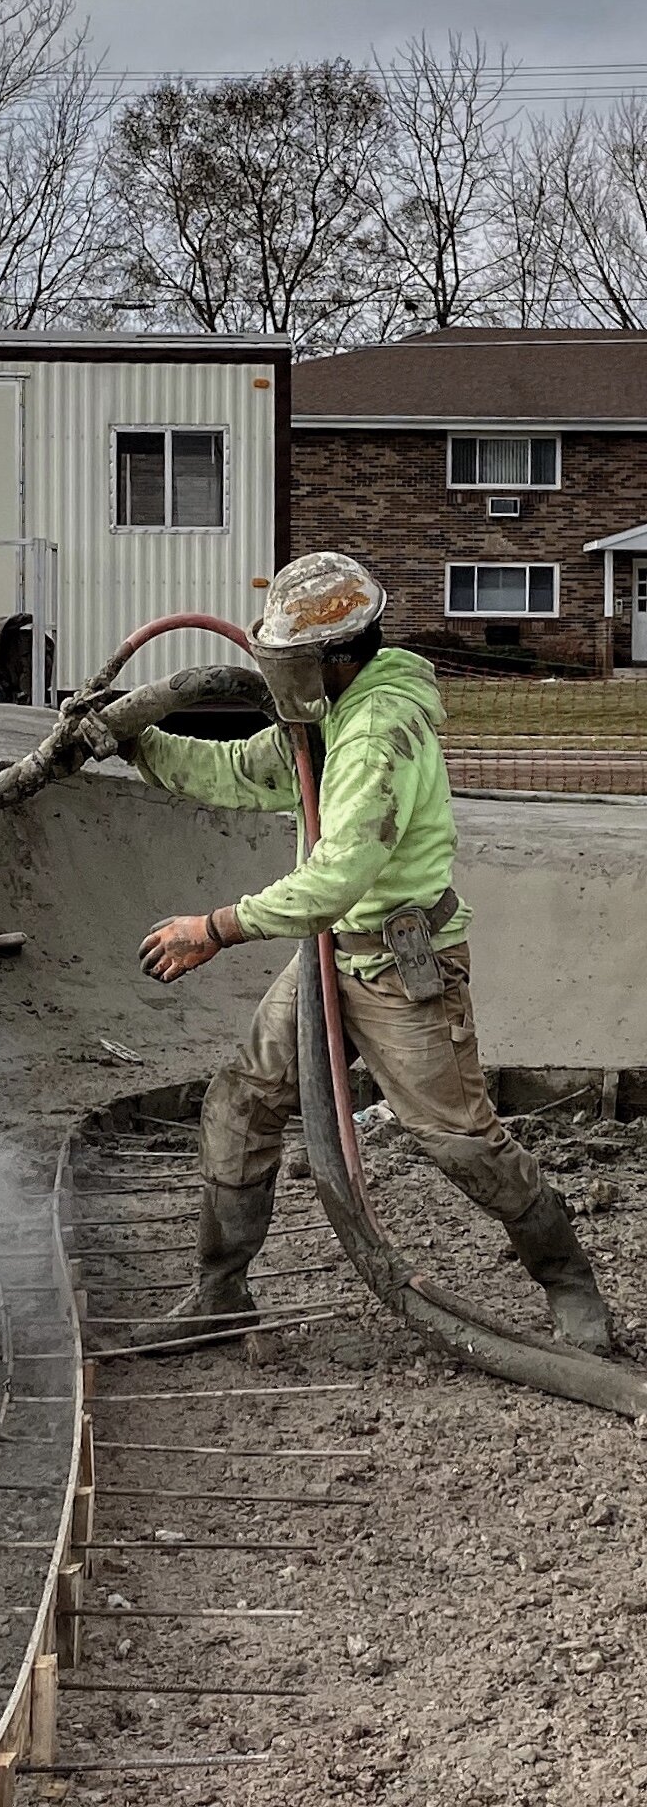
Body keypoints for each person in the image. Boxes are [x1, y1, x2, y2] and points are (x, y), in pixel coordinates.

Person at [117, 551, 613, 1354]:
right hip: (326, 957)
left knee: (459, 1141)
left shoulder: (378, 731)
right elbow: (246, 770)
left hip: (398, 964)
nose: (280, 675)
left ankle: (571, 1288)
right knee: (242, 1102)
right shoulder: (334, 710)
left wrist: (213, 928)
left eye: (291, 660)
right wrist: (137, 741)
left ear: (336, 654)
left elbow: (337, 877)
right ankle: (219, 1293)